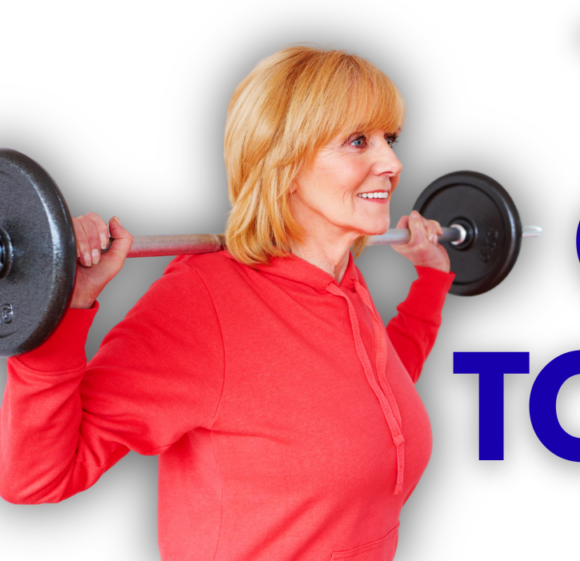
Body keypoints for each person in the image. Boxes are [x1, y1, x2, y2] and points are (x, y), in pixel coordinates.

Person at [0, 46, 454, 561]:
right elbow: (37, 477)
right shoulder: (204, 303)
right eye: (357, 142)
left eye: (389, 139)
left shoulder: (343, 282)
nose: (393, 163)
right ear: (285, 161)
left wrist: (431, 283)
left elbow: (371, 392)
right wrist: (65, 306)